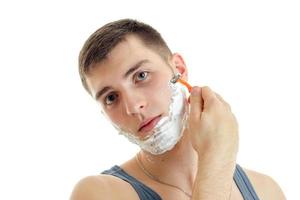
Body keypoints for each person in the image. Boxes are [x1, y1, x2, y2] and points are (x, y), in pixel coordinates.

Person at [70, 19, 285, 200]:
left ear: (179, 70)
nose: (133, 106)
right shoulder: (99, 193)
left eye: (141, 76)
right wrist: (215, 158)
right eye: (111, 98)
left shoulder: (266, 190)